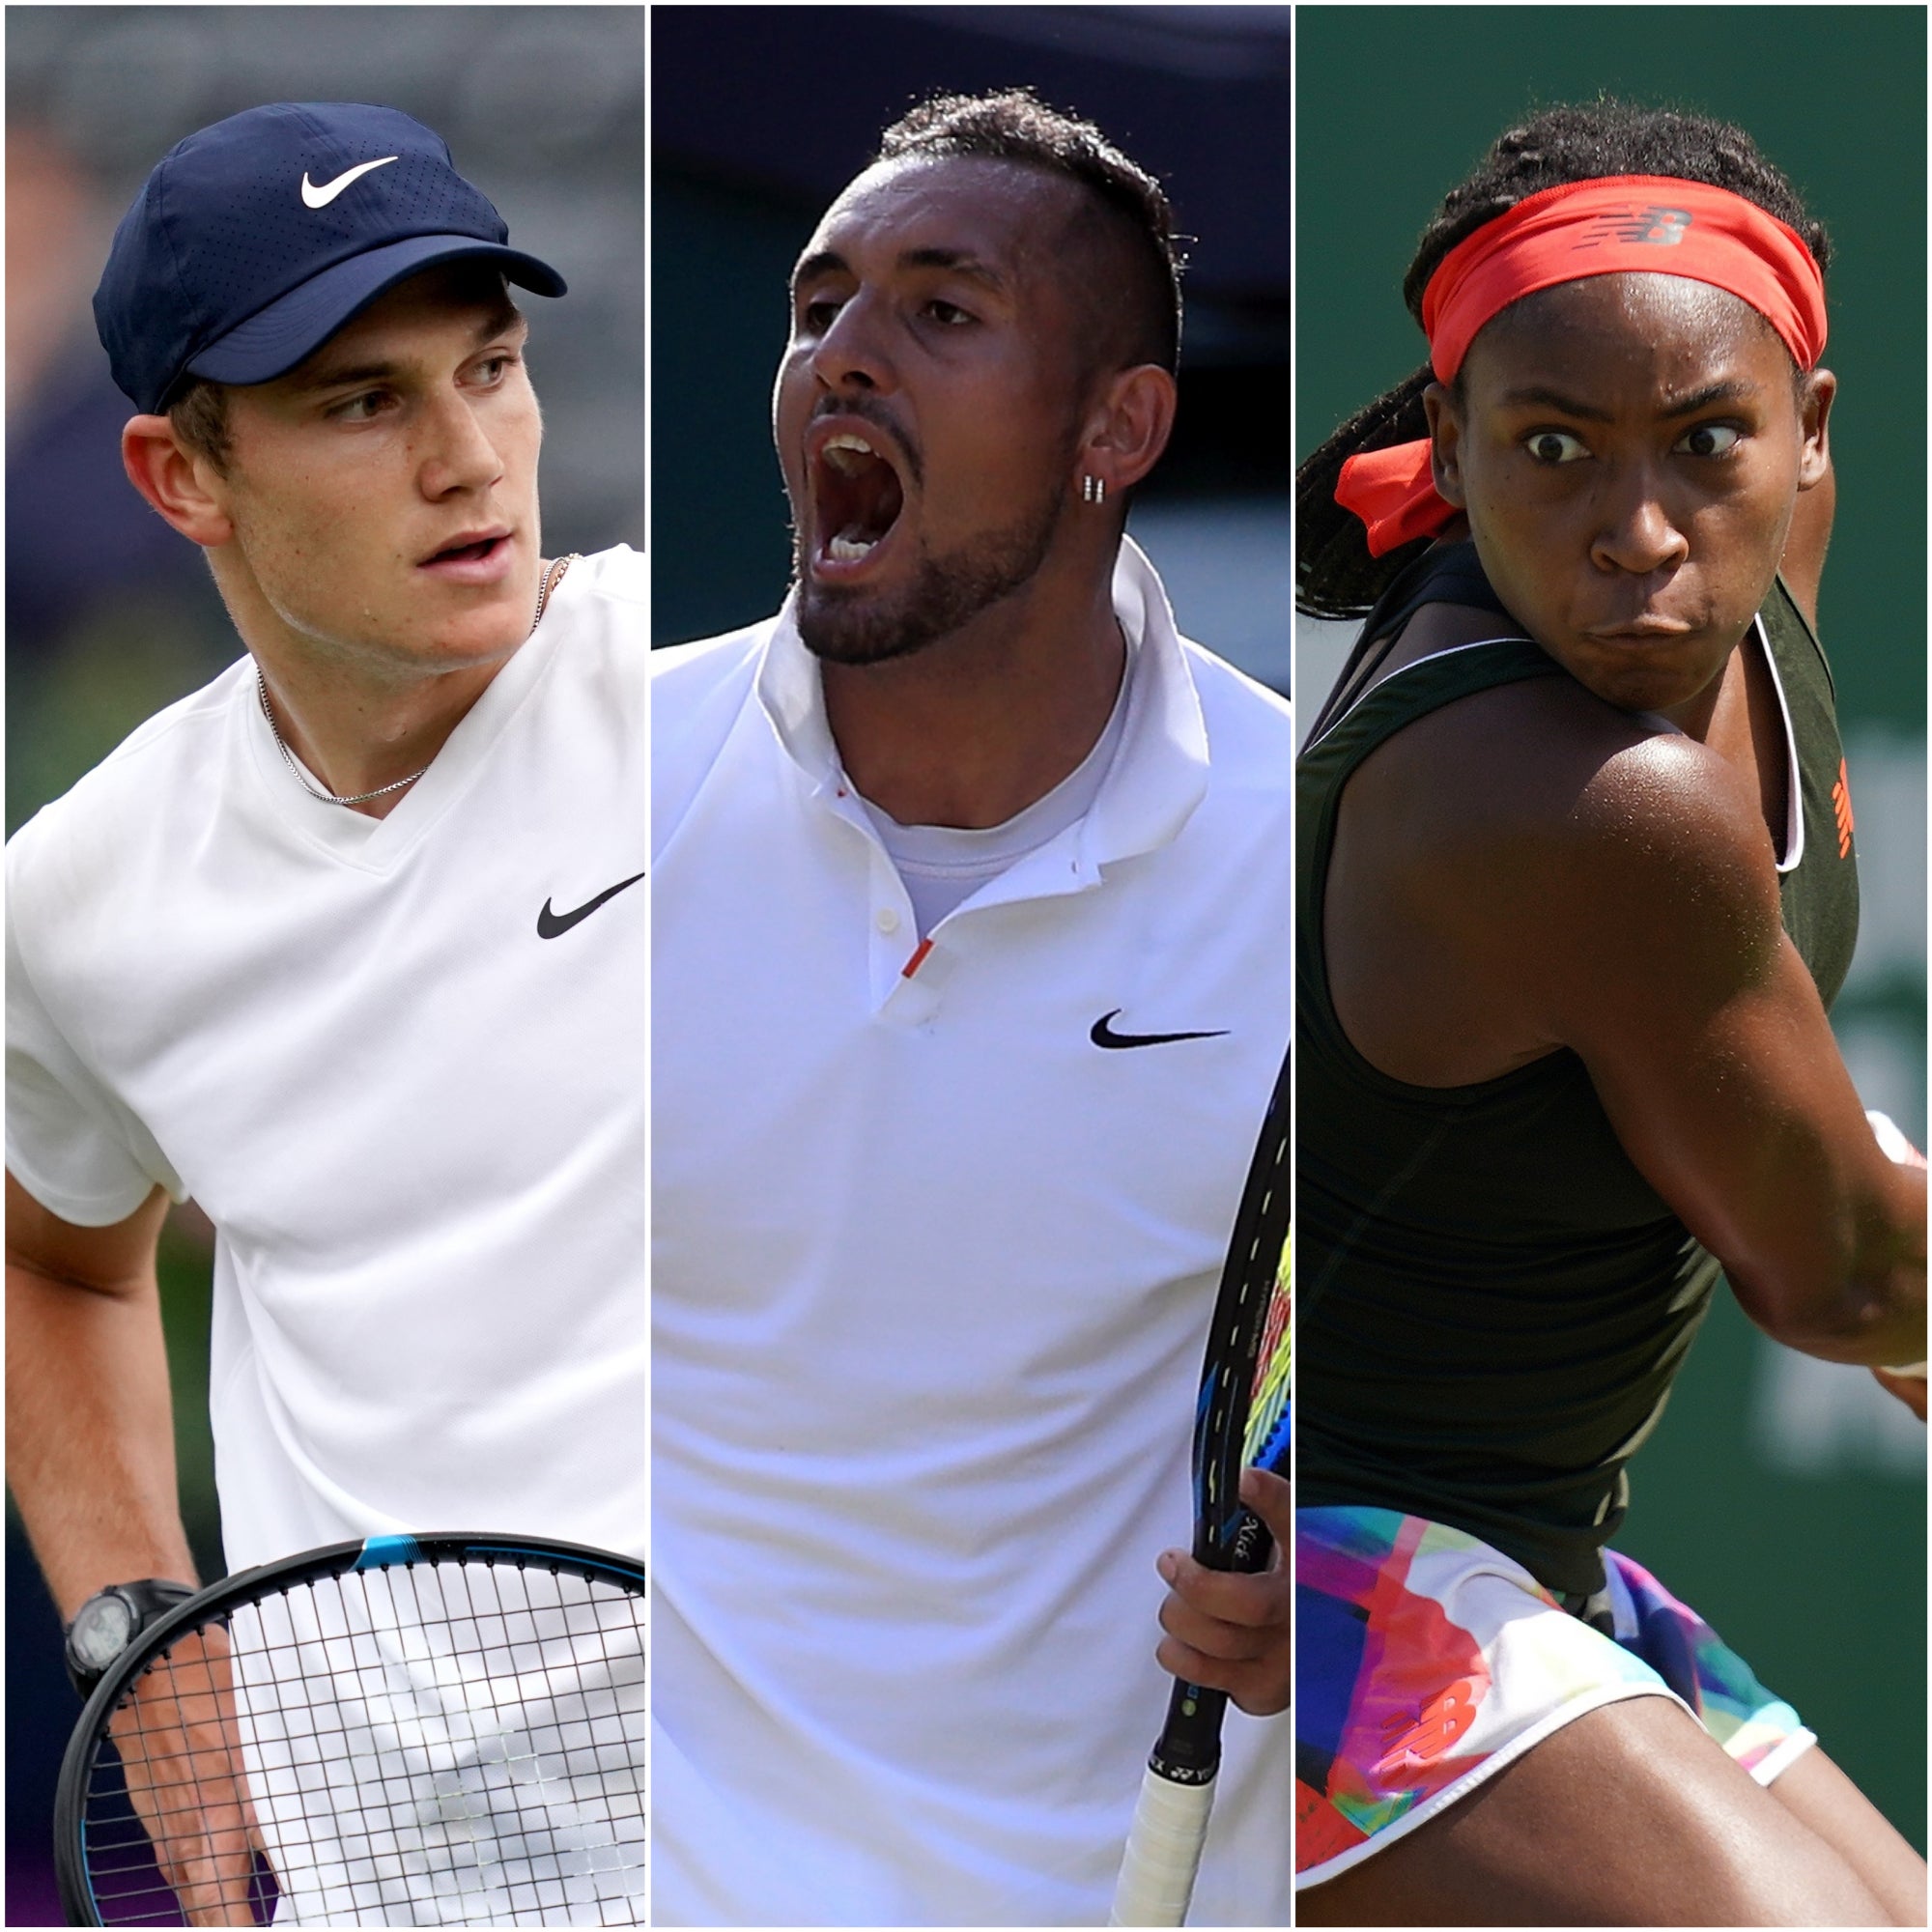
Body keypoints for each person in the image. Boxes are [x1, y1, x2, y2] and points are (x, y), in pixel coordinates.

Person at [651, 90, 1293, 1924]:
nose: (841, 358)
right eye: (816, 304)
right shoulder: (573, 804)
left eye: (940, 311)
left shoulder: (1325, 866)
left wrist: (1319, 1556)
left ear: (1121, 424)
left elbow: (1429, 1373)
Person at [5, 101, 646, 1924]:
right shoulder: (84, 893)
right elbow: (49, 1263)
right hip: (379, 1880)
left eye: (494, 370)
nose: (473, 459)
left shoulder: (749, 724)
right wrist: (148, 1650)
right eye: (365, 402)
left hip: (806, 1835)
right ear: (178, 476)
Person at [1293, 103, 1927, 1926]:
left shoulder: (1739, 587)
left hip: (1522, 1557)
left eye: (1708, 440)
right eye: (1551, 450)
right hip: (1302, 1572)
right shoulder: (1574, 795)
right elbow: (1845, 1279)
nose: (1637, 533)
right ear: (1454, 445)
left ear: (1814, 437)